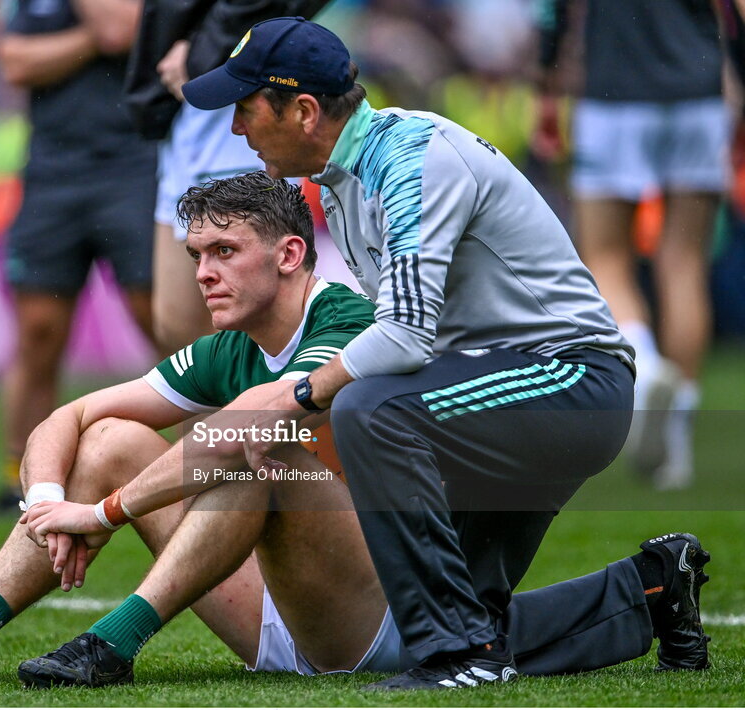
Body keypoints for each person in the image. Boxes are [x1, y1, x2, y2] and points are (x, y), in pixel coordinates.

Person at [0, 174, 709, 690]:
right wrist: (53, 503)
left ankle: (111, 644)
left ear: (289, 255)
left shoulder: (351, 323)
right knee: (110, 435)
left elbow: (249, 430)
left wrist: (113, 513)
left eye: (221, 252)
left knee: (258, 442)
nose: (201, 272)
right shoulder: (231, 344)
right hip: (294, 613)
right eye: (196, 253)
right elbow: (69, 415)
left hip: (387, 612)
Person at [176, 17, 711, 690]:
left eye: (245, 109)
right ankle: (655, 591)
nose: (235, 130)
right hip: (503, 391)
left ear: (304, 111)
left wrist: (295, 396)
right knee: (462, 617)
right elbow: (399, 344)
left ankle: (459, 658)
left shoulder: (410, 158)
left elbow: (403, 337)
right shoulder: (347, 179)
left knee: (372, 414)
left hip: (568, 381)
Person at [534, 0, 745, 490]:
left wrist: (546, 81)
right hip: (699, 89)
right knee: (685, 261)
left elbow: (552, 12)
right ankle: (677, 446)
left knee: (605, 255)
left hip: (614, 92)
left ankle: (645, 370)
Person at [0, 0, 158, 513]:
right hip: (52, 169)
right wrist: (91, 40)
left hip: (134, 162)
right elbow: (16, 62)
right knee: (38, 332)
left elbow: (121, 28)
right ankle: (20, 477)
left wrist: (76, 42)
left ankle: (215, 460)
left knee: (161, 318)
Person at [124, 0, 331, 354]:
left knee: (255, 332)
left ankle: (281, 408)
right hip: (180, 104)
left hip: (237, 89)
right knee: (179, 331)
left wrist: (201, 49)